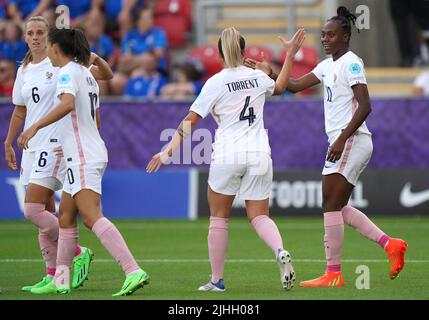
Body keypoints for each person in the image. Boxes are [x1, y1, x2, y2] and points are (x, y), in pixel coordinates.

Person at [245, 6, 408, 287]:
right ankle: (390, 244)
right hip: (343, 142)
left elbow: (366, 105)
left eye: (331, 35)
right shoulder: (326, 65)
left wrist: (342, 138)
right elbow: (293, 86)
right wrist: (269, 71)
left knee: (330, 204)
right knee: (336, 206)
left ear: (345, 37)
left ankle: (333, 274)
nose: (325, 39)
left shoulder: (351, 63)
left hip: (351, 141)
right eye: (322, 35)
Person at [147, 27, 305, 291]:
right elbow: (280, 87)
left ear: (220, 54)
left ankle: (217, 280)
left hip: (228, 154)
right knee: (260, 216)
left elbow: (191, 121)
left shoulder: (215, 83)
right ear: (244, 52)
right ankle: (279, 250)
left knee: (219, 218)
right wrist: (288, 56)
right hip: (259, 153)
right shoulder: (257, 77)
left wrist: (167, 152)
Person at [17, 27, 149, 296]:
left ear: (56, 48)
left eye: (51, 46)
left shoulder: (67, 72)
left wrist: (35, 127)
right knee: (65, 217)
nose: (48, 53)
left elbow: (66, 104)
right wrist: (93, 56)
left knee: (91, 217)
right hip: (83, 153)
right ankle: (61, 279)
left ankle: (132, 270)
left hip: (81, 156)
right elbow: (107, 74)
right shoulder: (85, 74)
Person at [3, 16, 113, 293]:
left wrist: (91, 55)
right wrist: (8, 141)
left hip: (55, 143)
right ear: (25, 37)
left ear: (49, 37)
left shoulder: (65, 64)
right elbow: (19, 109)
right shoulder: (25, 69)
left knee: (33, 209)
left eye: (41, 32)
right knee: (45, 213)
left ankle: (76, 250)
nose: (36, 37)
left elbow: (104, 74)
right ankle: (52, 274)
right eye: (30, 33)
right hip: (31, 144)